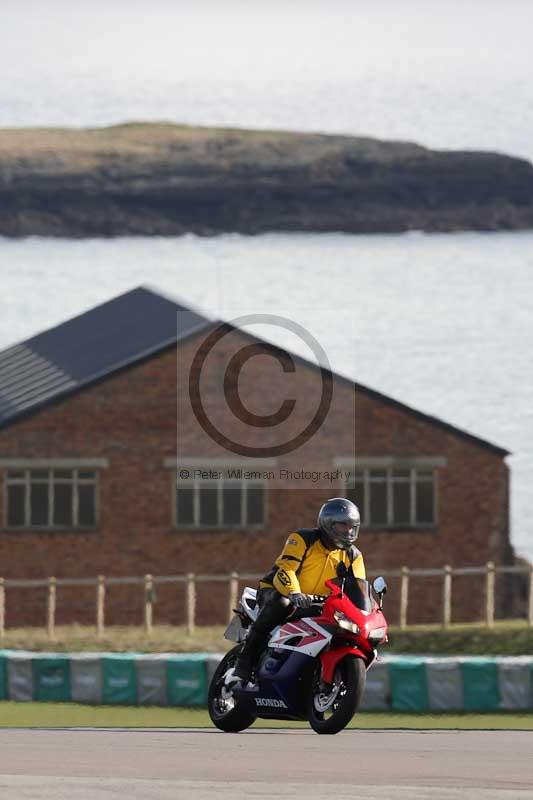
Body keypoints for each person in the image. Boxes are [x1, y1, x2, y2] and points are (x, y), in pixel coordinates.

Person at [228, 497, 365, 687]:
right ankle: (245, 660)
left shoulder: (353, 555)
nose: (348, 531)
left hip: (320, 603)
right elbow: (287, 569)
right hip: (277, 590)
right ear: (328, 523)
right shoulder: (302, 539)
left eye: (352, 526)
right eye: (343, 525)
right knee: (282, 603)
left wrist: (363, 613)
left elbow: (358, 587)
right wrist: (294, 593)